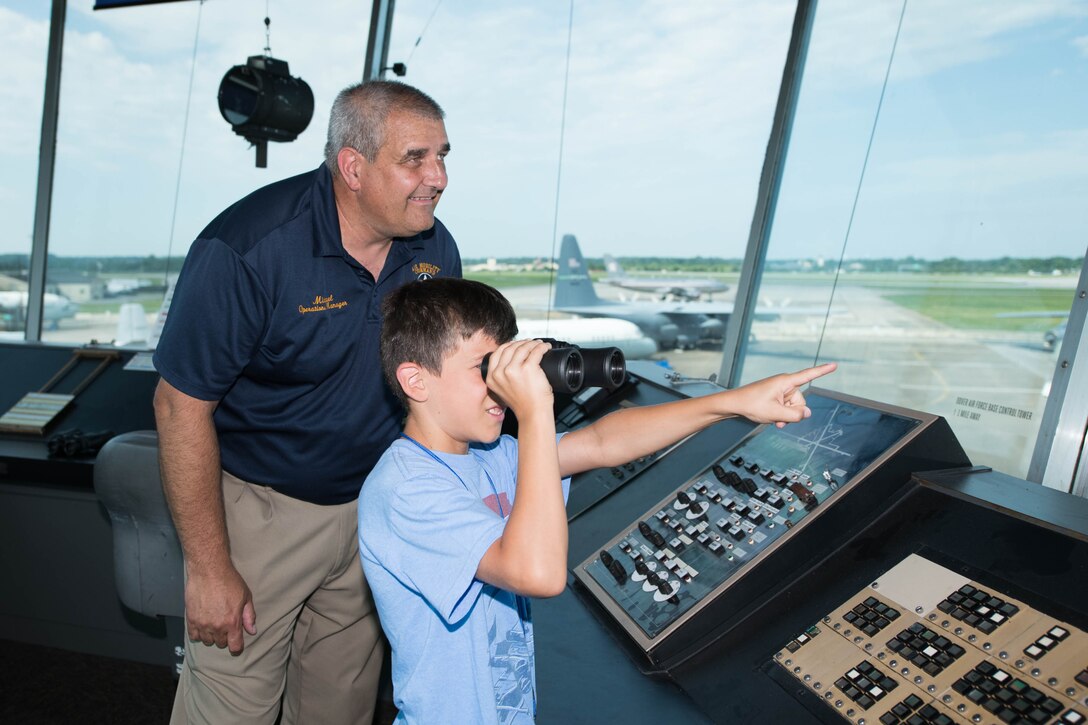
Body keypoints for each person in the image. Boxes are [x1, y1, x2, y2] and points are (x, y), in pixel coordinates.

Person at [357, 278, 837, 723]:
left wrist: (729, 402)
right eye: (486, 369)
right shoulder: (404, 489)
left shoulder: (494, 454)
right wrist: (536, 410)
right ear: (416, 381)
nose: (503, 386)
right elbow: (537, 574)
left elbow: (604, 441)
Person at [152, 80, 461, 724]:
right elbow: (180, 407)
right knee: (231, 709)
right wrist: (209, 570)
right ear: (353, 166)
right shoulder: (249, 248)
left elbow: (439, 381)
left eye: (443, 155)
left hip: (376, 506)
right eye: (415, 159)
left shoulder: (435, 249)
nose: (438, 177)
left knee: (339, 707)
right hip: (263, 511)